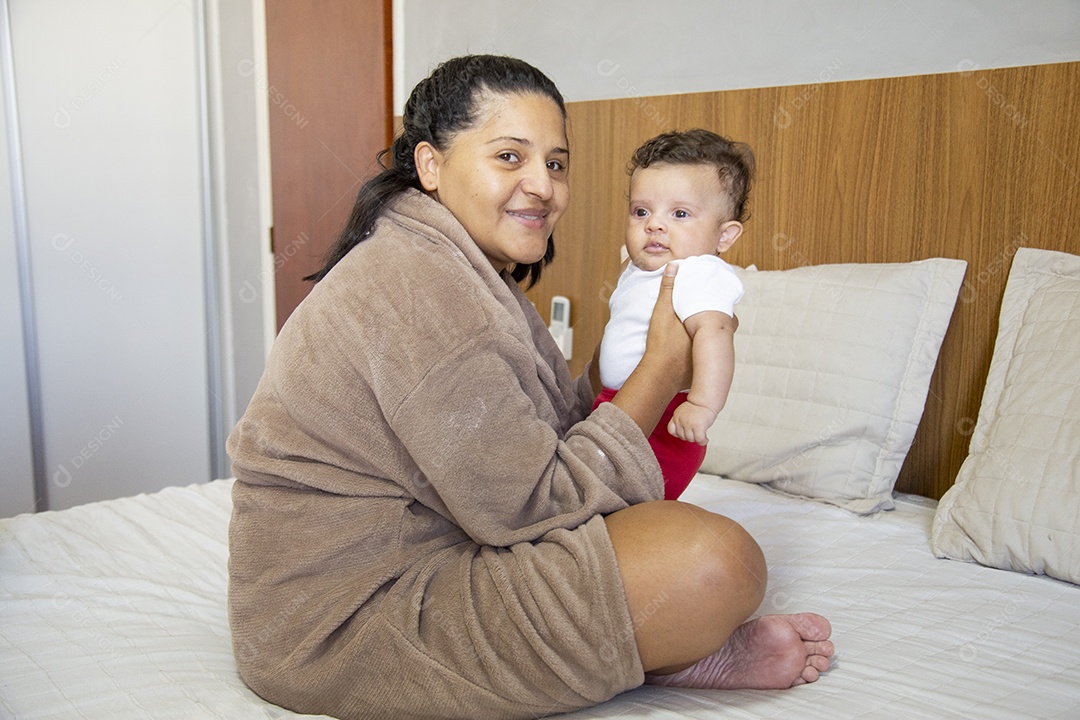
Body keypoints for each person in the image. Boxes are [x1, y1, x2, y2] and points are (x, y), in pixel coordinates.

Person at [226, 54, 833, 720]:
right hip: (343, 627)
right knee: (717, 563)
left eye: (555, 164)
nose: (541, 187)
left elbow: (530, 440)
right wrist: (660, 368)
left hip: (434, 558)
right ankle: (666, 653)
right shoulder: (414, 284)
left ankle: (647, 647)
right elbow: (528, 506)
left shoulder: (454, 265)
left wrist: (620, 353)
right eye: (509, 157)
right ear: (431, 166)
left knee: (686, 542)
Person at [594, 129, 752, 500]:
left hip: (668, 421)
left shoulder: (700, 271)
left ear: (724, 237)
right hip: (615, 404)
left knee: (625, 502)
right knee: (595, 498)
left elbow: (716, 333)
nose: (655, 224)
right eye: (641, 211)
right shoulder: (635, 269)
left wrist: (701, 405)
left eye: (680, 213)